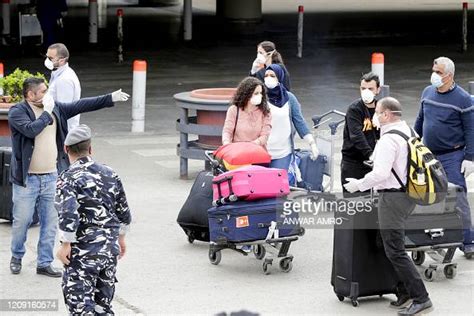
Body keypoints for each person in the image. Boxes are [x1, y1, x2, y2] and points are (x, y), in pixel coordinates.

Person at [8, 77, 129, 277]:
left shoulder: (56, 109)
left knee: (50, 222)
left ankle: (44, 262)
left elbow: (81, 104)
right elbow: (31, 130)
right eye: (42, 92)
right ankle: (17, 255)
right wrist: (46, 112)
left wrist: (110, 98)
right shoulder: (17, 112)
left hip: (51, 176)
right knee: (22, 221)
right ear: (30, 95)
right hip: (27, 179)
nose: (47, 95)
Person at [344, 97, 433, 316]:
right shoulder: (408, 131)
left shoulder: (387, 140)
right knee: (386, 242)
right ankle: (403, 291)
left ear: (386, 114)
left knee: (395, 249)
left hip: (392, 198)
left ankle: (421, 298)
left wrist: (358, 185)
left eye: (377, 112)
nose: (374, 116)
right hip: (408, 194)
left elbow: (381, 174)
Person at [55, 124, 131, 315]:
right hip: (108, 250)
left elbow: (68, 213)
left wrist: (65, 244)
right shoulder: (110, 173)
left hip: (83, 253)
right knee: (103, 307)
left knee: (80, 308)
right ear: (90, 149)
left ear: (66, 150)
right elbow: (123, 211)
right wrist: (121, 238)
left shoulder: (69, 178)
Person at [414, 56, 474, 257]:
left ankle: (468, 241)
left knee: (457, 197)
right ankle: (435, 237)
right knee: (429, 196)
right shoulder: (427, 92)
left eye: (438, 72)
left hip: (452, 156)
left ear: (449, 76)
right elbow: (421, 118)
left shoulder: (463, 99)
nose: (434, 75)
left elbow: (471, 130)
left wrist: (470, 157)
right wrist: (414, 140)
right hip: (429, 154)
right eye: (433, 70)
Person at [264, 64, 318, 170]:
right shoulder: (260, 97)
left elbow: (299, 121)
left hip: (282, 152)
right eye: (266, 75)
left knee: (278, 183)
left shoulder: (289, 98)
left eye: (272, 75)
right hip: (262, 151)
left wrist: (311, 143)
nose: (268, 78)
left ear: (279, 78)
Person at [341, 72, 381, 197]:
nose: (366, 91)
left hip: (374, 163)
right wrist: (370, 154)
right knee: (353, 203)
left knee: (373, 202)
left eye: (370, 89)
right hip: (354, 163)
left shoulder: (381, 108)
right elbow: (356, 136)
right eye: (363, 88)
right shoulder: (355, 109)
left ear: (378, 90)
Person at [222, 76, 272, 147]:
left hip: (257, 151)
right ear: (247, 95)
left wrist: (252, 145)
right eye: (256, 93)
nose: (260, 96)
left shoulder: (265, 112)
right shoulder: (234, 110)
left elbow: (265, 135)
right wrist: (226, 144)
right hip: (236, 151)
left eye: (261, 93)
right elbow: (227, 131)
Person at [45, 43, 81, 131]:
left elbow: (63, 110)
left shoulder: (64, 80)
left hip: (64, 130)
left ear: (61, 61)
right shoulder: (58, 74)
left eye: (50, 58)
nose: (47, 60)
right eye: (46, 57)